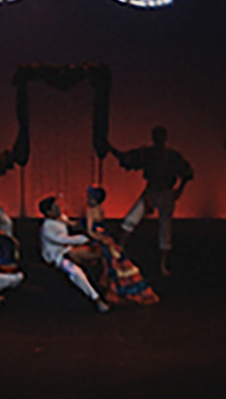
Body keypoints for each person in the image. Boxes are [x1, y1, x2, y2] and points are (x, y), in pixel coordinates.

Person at [109, 126, 193, 276]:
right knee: (130, 220)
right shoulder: (148, 153)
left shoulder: (171, 156)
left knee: (165, 228)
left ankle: (163, 264)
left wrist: (179, 190)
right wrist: (110, 149)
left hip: (166, 193)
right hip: (152, 191)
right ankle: (119, 254)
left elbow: (187, 172)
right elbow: (128, 158)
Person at [81, 186, 159, 306]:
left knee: (110, 260)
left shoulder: (90, 212)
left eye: (89, 197)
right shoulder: (100, 210)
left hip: (100, 239)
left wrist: (100, 239)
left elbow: (90, 231)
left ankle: (113, 288)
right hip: (106, 237)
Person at [38, 196, 110, 313]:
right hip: (57, 256)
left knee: (99, 253)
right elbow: (64, 239)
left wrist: (89, 225)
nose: (58, 208)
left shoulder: (61, 218)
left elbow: (73, 225)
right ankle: (96, 299)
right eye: (54, 207)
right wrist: (86, 238)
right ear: (48, 212)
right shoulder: (46, 227)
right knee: (76, 272)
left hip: (69, 249)